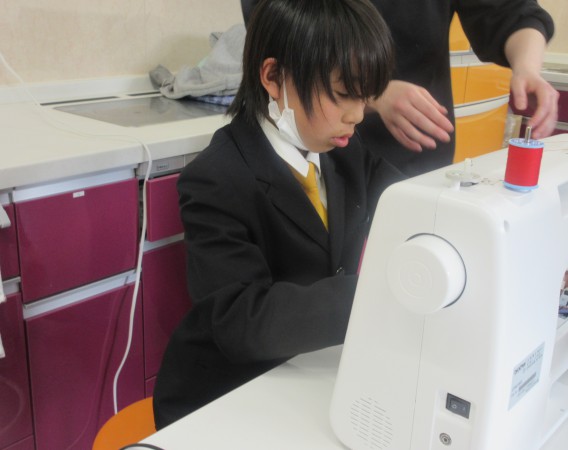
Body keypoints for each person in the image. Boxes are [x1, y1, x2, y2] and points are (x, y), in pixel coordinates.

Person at [153, 0, 405, 429]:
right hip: (227, 392)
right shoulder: (217, 178)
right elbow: (241, 319)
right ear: (273, 77)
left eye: (365, 96)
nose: (357, 115)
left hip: (307, 368)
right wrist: (374, 295)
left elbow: (404, 199)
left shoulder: (341, 149)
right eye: (344, 94)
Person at [242, 0, 558, 177]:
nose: (356, 114)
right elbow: (282, 38)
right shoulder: (233, 179)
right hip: (301, 151)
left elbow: (512, 13)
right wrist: (375, 93)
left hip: (408, 159)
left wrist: (527, 68)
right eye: (345, 93)